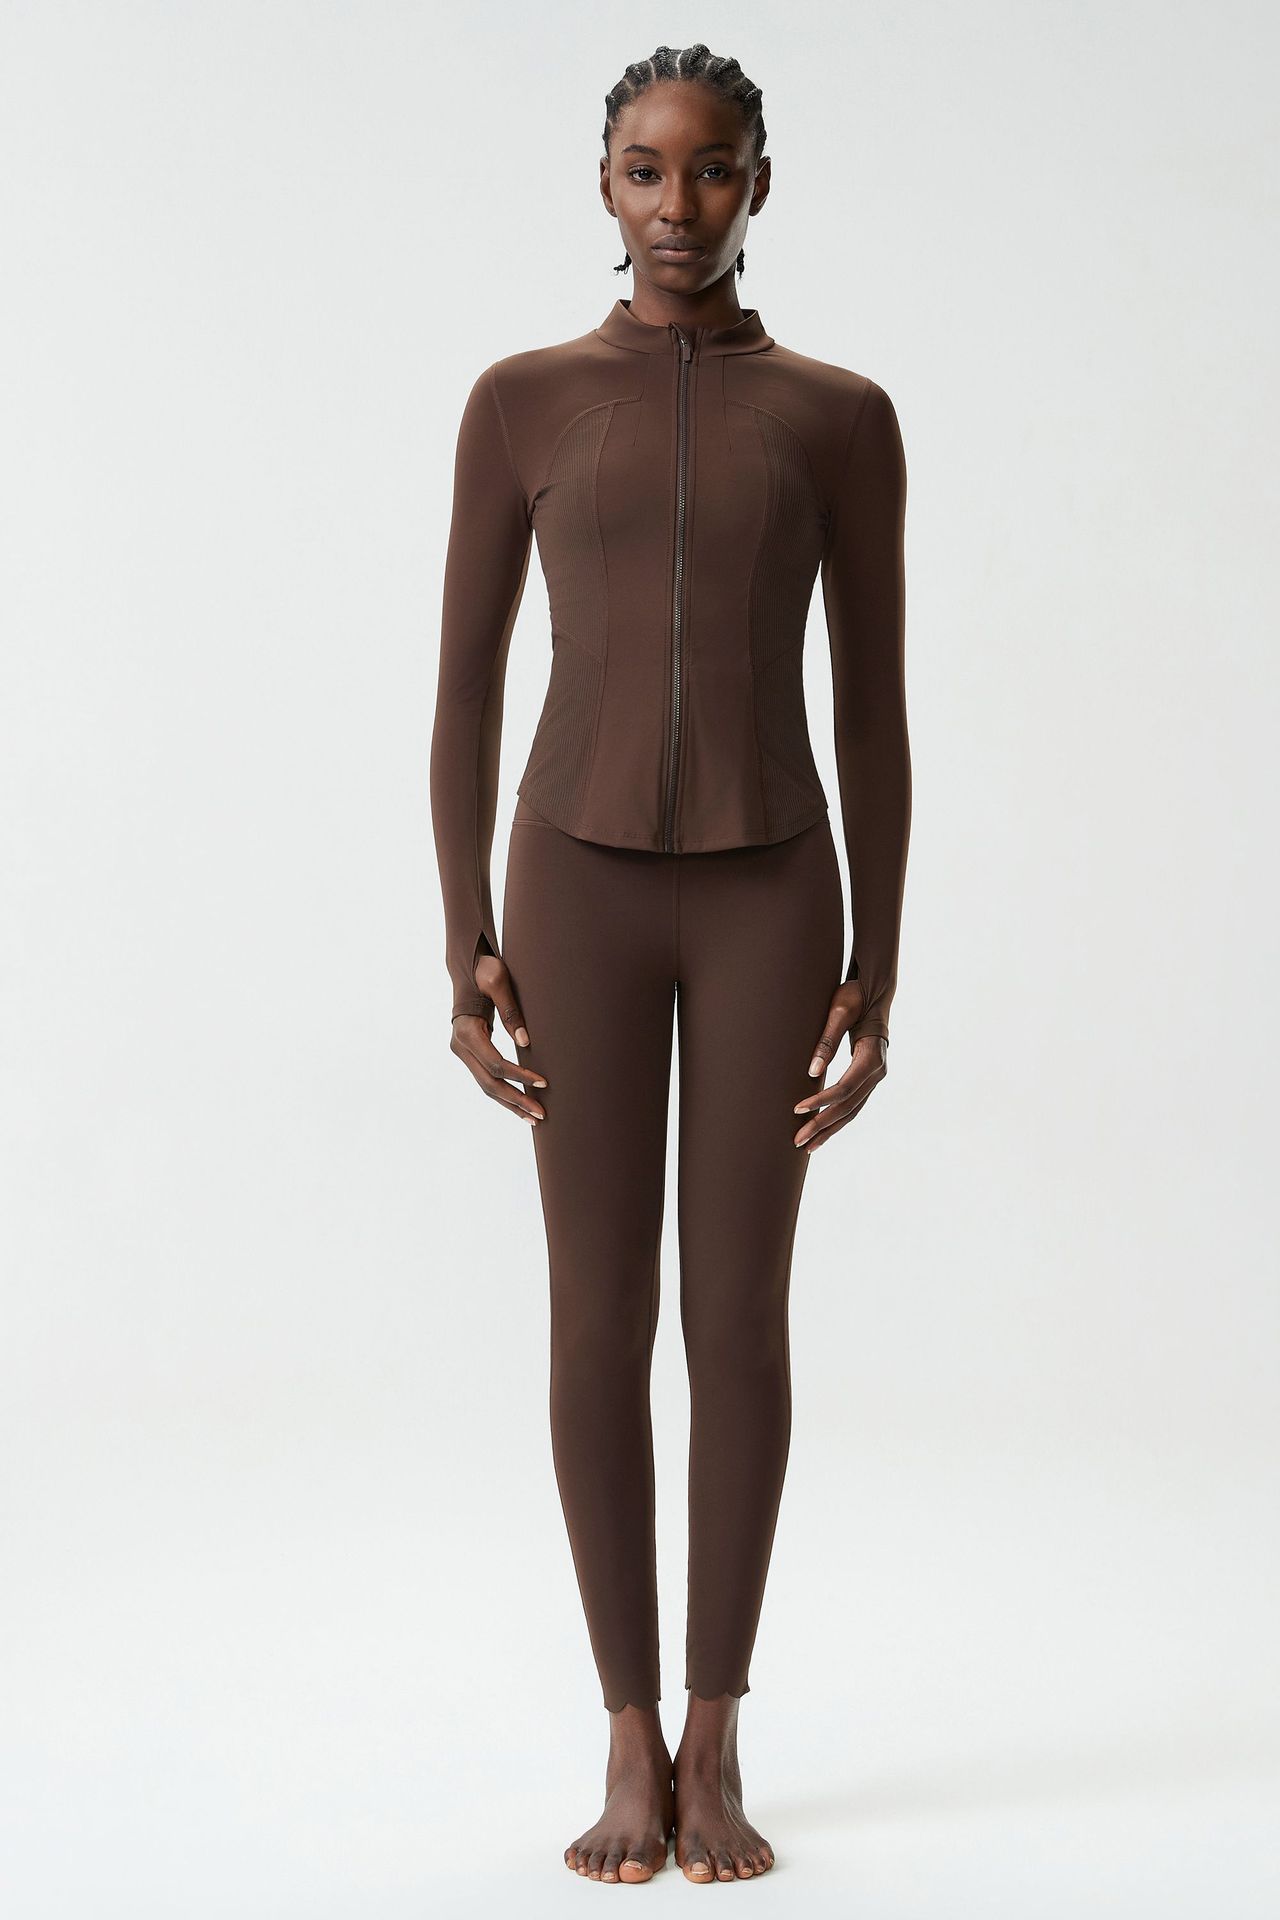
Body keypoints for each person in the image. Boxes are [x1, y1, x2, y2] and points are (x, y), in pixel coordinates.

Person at [429, 41, 910, 1886]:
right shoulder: (523, 402)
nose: (678, 206)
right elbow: (465, 686)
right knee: (595, 1317)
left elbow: (874, 705)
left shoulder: (841, 417)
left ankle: (718, 1729)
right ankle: (624, 1725)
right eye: (646, 169)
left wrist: (884, 950)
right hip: (575, 885)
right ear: (604, 181)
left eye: (713, 171)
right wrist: (461, 931)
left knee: (740, 1318)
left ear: (759, 185)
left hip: (777, 886)